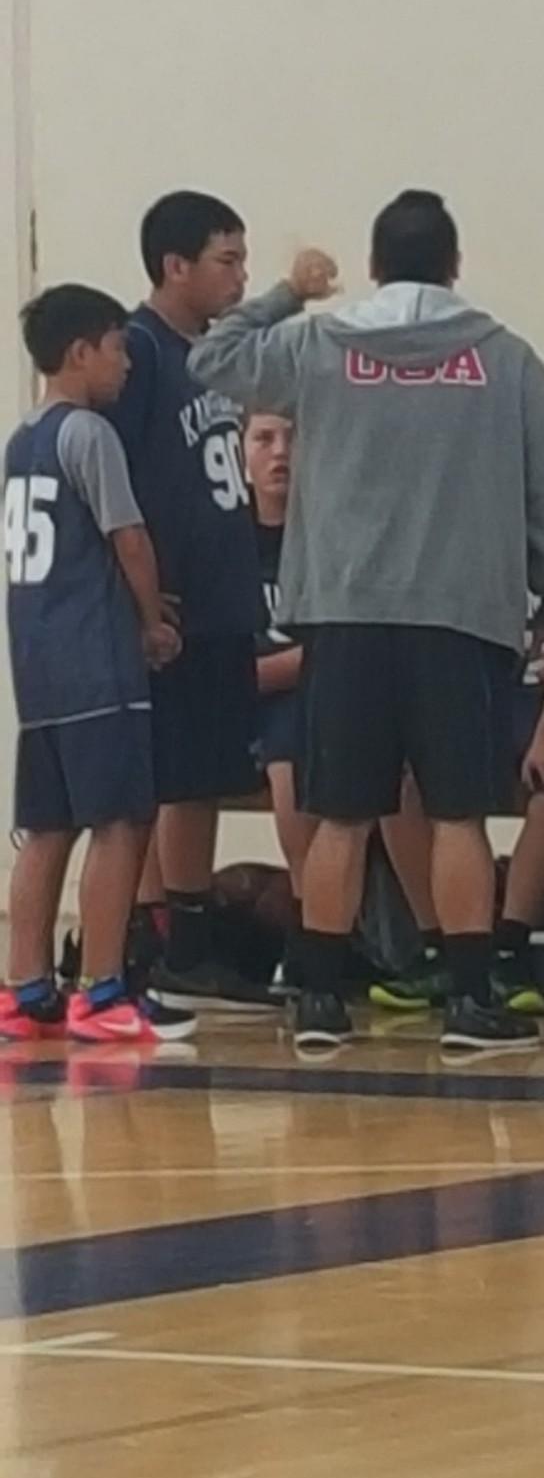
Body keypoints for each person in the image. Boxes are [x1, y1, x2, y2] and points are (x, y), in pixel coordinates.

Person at [189, 189, 544, 1054]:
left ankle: (319, 1001)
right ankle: (470, 1002)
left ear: (372, 266)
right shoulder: (507, 358)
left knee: (341, 814)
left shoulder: (318, 344)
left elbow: (212, 358)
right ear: (454, 265)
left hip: (345, 616)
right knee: (458, 815)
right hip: (461, 618)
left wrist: (289, 291)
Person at [1, 284, 187, 1044]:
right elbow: (128, 538)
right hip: (97, 661)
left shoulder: (21, 441)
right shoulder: (90, 434)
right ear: (80, 352)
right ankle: (103, 988)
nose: (126, 364)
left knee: (46, 829)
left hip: (38, 667)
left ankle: (24, 987)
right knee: (120, 822)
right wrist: (152, 621)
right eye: (116, 348)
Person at [106, 190, 267, 1013]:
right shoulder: (139, 352)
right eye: (226, 260)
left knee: (200, 779)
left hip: (223, 600)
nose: (241, 277)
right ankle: (132, 940)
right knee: (154, 780)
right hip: (171, 609)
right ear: (175, 265)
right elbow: (111, 478)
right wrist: (136, 593)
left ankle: (192, 944)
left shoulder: (212, 354)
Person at [372, 500, 544, 1016]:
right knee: (399, 782)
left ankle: (510, 948)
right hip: (484, 693)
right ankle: (438, 945)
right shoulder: (467, 522)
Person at [244, 411, 317, 991]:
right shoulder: (225, 540)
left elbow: (340, 647)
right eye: (264, 438)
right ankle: (159, 932)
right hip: (237, 698)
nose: (279, 452)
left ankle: (308, 932)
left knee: (289, 758)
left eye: (292, 437)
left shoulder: (326, 534)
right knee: (158, 759)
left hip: (307, 699)